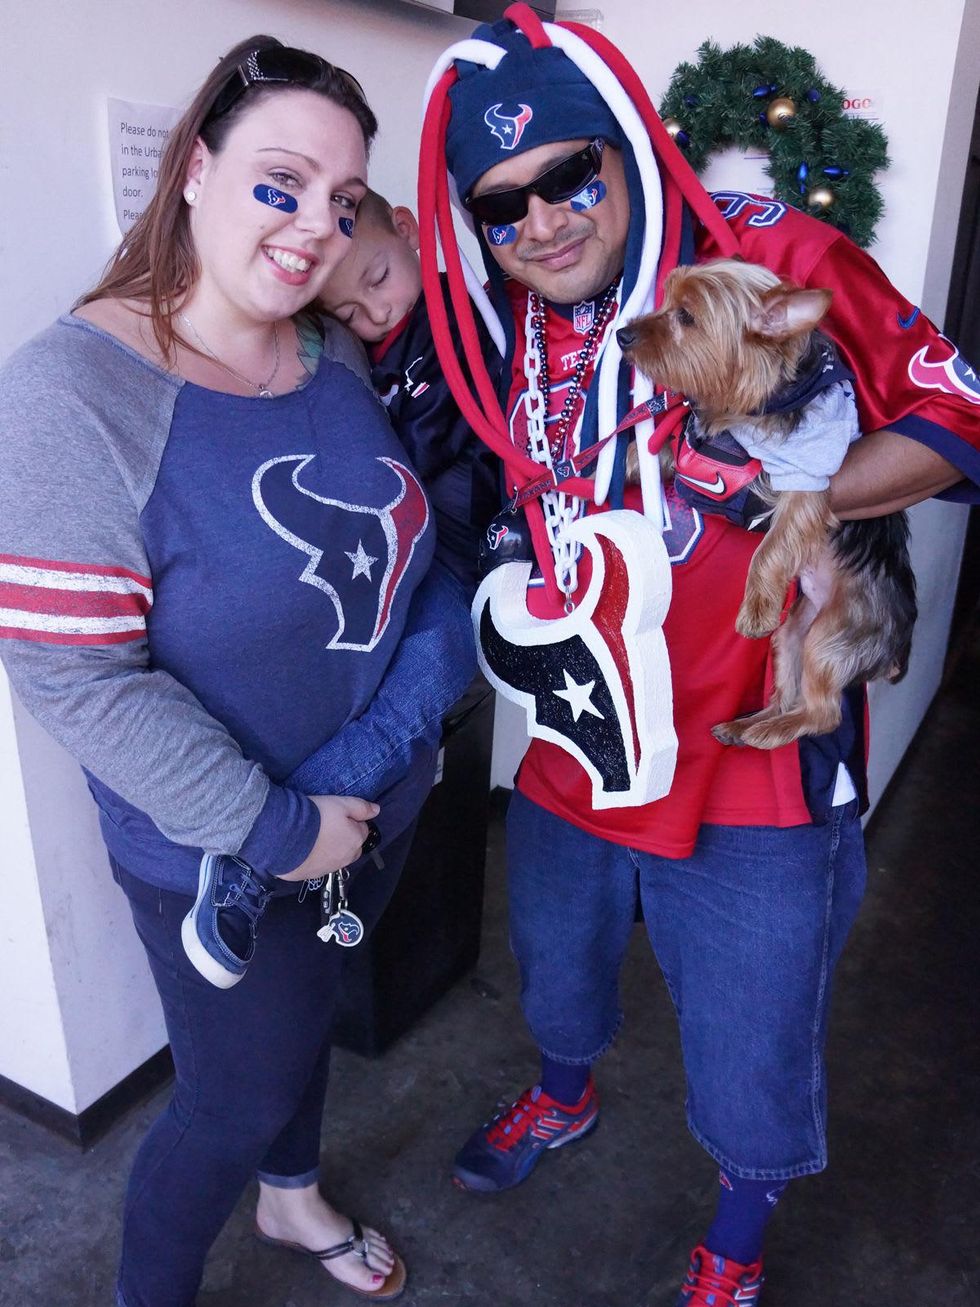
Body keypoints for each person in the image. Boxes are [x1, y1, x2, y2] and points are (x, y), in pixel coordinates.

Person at [417, 5, 980, 1304]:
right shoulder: (495, 318)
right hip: (576, 744)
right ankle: (563, 1094)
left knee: (752, 1036)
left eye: (569, 177)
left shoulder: (765, 256)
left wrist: (815, 496)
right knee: (556, 965)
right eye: (503, 207)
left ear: (621, 148)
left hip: (754, 764)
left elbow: (956, 410)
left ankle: (735, 1234)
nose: (543, 222)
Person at [0, 35, 459, 1307]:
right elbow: (77, 681)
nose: (315, 225)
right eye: (280, 181)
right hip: (221, 848)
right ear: (194, 170)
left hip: (374, 799)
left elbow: (404, 552)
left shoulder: (338, 354)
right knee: (228, 1094)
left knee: (305, 1023)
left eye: (341, 198)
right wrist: (275, 826)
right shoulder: (67, 397)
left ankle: (292, 1194)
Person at [318, 187, 500, 591]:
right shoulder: (364, 347)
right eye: (349, 313)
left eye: (379, 279)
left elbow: (431, 427)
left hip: (477, 509)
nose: (377, 312)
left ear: (405, 229)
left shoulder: (451, 313)